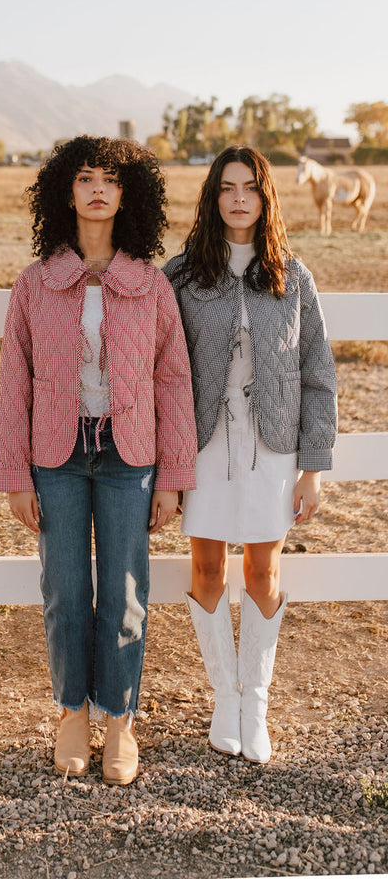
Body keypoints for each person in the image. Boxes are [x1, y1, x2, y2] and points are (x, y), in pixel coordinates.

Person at [0, 136, 197, 784]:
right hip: (54, 455)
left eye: (110, 179)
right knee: (64, 593)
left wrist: (174, 477)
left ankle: (119, 722)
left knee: (125, 593)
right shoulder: (34, 285)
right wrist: (13, 475)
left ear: (128, 193)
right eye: (85, 178)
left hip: (127, 455)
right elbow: (12, 385)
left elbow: (174, 382)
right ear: (66, 191)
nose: (98, 189)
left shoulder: (152, 285)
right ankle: (70, 713)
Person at [163, 146, 337, 764]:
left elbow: (319, 375)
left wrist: (312, 468)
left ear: (266, 198)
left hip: (274, 449)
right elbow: (162, 372)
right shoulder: (181, 275)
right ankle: (224, 699)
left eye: (250, 188)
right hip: (205, 448)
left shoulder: (293, 277)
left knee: (263, 574)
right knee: (207, 572)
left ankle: (255, 704)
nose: (239, 198)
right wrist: (168, 463)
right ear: (213, 198)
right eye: (227, 188)